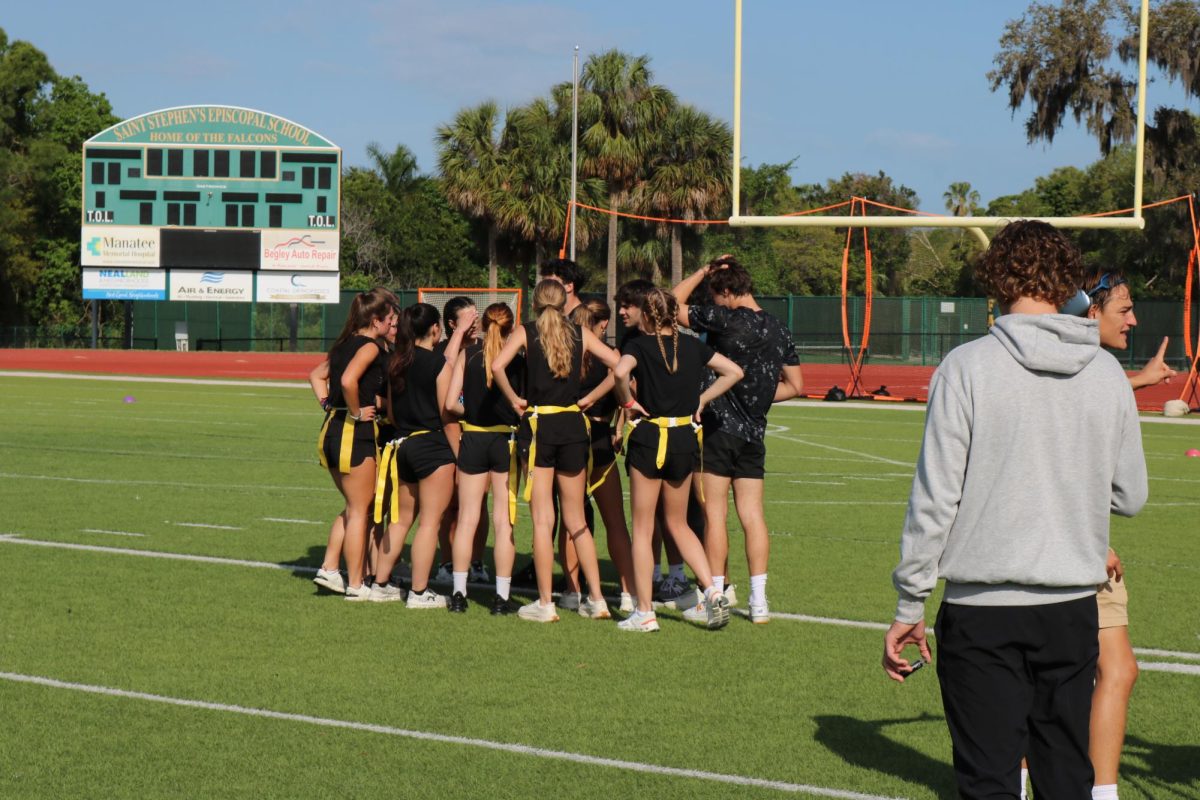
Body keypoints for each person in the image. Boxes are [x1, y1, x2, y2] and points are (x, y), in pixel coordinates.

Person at [882, 221, 1148, 799]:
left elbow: (935, 500)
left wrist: (910, 604)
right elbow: (1131, 495)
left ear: (997, 276)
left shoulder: (966, 366)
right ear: (1067, 282)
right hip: (1070, 609)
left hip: (983, 611)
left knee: (989, 781)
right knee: (1065, 777)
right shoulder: (1106, 373)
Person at [1077, 268, 1174, 800]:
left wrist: (1137, 379)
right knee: (1045, 678)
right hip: (1073, 550)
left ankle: (1103, 792)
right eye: (1124, 309)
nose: (1134, 319)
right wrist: (1094, 540)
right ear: (1089, 311)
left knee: (1120, 669)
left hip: (1088, 547)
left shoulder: (1100, 372)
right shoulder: (1076, 368)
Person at [672, 256, 804, 623]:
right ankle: (759, 601)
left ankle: (716, 596)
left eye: (715, 294)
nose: (711, 301)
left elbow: (667, 306)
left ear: (727, 292)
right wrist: (758, 396)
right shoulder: (779, 328)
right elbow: (796, 385)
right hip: (754, 433)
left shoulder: (725, 317)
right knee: (753, 515)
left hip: (717, 427)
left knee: (715, 515)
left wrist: (702, 271)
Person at [614, 288, 743, 632]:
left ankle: (644, 612)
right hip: (684, 439)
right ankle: (712, 590)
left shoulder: (638, 346)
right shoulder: (691, 345)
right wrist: (700, 400)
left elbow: (618, 373)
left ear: (649, 315)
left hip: (650, 437)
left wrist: (627, 404)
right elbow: (733, 372)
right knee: (679, 523)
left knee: (642, 528)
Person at [491, 279, 620, 622]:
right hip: (574, 428)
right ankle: (596, 599)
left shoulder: (526, 331)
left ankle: (546, 603)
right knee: (577, 520)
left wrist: (514, 399)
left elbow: (496, 366)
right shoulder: (580, 332)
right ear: (565, 303)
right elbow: (619, 365)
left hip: (540, 428)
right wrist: (592, 398)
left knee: (543, 518)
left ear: (535, 303)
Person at [368, 302, 475, 607]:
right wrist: (459, 455)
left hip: (402, 445)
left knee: (400, 520)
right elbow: (448, 415)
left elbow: (391, 412)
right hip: (432, 446)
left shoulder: (396, 363)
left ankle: (380, 583)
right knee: (429, 521)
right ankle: (418, 592)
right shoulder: (439, 364)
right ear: (434, 329)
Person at [311, 288, 398, 599]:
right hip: (352, 433)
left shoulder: (343, 344)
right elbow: (348, 380)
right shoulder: (370, 347)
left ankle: (330, 568)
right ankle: (356, 584)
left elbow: (316, 376)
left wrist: (328, 403)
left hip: (331, 430)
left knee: (353, 507)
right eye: (390, 319)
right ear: (375, 321)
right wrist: (356, 410)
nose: (394, 323)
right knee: (361, 510)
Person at [444, 302, 523, 615]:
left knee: (466, 519)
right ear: (510, 327)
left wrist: (473, 413)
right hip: (506, 440)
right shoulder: (517, 360)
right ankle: (502, 598)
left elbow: (451, 403)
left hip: (473, 437)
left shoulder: (469, 354)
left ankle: (459, 593)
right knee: (504, 522)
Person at [559, 299, 635, 613]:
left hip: (568, 437)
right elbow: (624, 381)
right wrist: (617, 420)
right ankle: (629, 590)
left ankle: (573, 590)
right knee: (615, 521)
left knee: (571, 521)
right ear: (602, 325)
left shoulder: (566, 352)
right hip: (599, 438)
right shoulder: (607, 355)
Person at [433, 296, 490, 587]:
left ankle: (476, 562)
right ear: (453, 324)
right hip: (450, 437)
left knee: (479, 504)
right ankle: (446, 562)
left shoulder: (483, 350)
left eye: (475, 318)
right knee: (451, 505)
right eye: (467, 320)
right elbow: (446, 398)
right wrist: (458, 335)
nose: (474, 324)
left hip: (480, 438)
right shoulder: (444, 351)